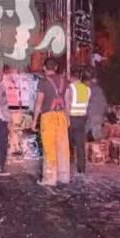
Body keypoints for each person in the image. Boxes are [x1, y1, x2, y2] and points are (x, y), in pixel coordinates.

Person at [32, 58, 69, 187]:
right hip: (62, 116)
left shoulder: (42, 82)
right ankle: (64, 176)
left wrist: (34, 120)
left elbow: (38, 103)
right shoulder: (65, 81)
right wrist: (68, 118)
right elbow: (67, 100)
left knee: (49, 148)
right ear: (56, 67)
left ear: (44, 68)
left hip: (48, 117)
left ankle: (50, 178)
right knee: (63, 147)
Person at [65, 68, 92, 177]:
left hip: (71, 118)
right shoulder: (87, 89)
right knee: (80, 144)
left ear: (72, 77)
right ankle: (81, 168)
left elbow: (67, 104)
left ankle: (66, 166)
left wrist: (66, 119)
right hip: (82, 119)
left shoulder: (70, 88)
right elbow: (87, 104)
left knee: (67, 143)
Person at [86, 71, 108, 141]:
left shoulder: (89, 89)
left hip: (92, 114)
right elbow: (104, 102)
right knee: (95, 133)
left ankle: (98, 149)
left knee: (96, 135)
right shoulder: (99, 89)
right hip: (98, 114)